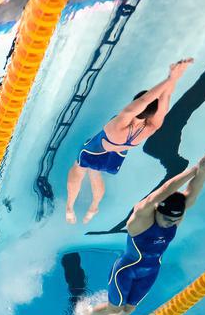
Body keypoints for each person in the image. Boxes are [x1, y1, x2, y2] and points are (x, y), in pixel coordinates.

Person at [85, 147, 205, 315]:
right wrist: (193, 170)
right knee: (114, 308)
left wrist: (203, 170)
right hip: (127, 270)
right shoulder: (140, 220)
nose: (170, 224)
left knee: (127, 310)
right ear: (157, 210)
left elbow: (192, 193)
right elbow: (158, 195)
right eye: (167, 219)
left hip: (151, 271)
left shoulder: (174, 219)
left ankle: (114, 313)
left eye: (173, 221)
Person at [66, 58, 194, 224]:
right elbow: (164, 99)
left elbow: (144, 101)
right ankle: (94, 206)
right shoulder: (152, 127)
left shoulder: (121, 122)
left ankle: (69, 207)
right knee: (96, 172)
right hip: (115, 159)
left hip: (94, 151)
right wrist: (174, 79)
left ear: (134, 103)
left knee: (78, 169)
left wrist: (170, 78)